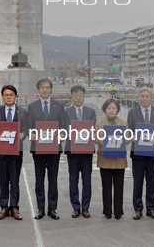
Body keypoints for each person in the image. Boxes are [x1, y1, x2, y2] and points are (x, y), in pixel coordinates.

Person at [26, 78, 67, 220]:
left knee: (53, 179)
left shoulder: (59, 106)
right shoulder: (32, 106)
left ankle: (52, 208)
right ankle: (40, 208)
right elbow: (29, 125)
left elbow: (63, 125)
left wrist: (62, 134)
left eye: (47, 87)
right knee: (39, 179)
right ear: (38, 90)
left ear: (51, 89)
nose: (45, 90)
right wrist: (31, 133)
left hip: (54, 148)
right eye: (42, 87)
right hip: (38, 148)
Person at [127, 87, 154, 220]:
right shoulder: (132, 112)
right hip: (138, 152)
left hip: (153, 152)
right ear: (139, 98)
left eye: (147, 96)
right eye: (142, 96)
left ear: (151, 98)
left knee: (152, 181)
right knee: (138, 181)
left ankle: (151, 208)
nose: (145, 98)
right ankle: (138, 208)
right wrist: (131, 136)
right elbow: (128, 130)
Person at [0, 85, 27, 221]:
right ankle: (3, 207)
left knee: (14, 180)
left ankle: (14, 207)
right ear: (2, 97)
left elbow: (26, 128)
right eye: (6, 95)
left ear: (16, 96)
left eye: (11, 95)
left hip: (16, 151)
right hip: (1, 151)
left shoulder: (23, 112)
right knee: (3, 179)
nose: (8, 97)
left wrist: (23, 135)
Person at [65, 85, 96, 218]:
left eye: (80, 95)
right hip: (72, 150)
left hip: (86, 151)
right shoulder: (66, 112)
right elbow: (66, 129)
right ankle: (76, 207)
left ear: (84, 96)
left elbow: (92, 129)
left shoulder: (91, 112)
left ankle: (86, 207)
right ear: (71, 97)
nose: (78, 98)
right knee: (73, 179)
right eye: (75, 95)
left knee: (87, 179)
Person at [95, 98, 127, 219]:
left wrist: (124, 140)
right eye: (109, 108)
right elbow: (96, 138)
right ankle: (107, 211)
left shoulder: (123, 123)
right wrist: (103, 140)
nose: (111, 110)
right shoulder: (99, 123)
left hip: (119, 159)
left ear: (117, 110)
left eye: (113, 108)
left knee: (119, 186)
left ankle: (118, 211)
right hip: (105, 158)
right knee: (106, 186)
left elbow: (128, 138)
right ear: (105, 110)